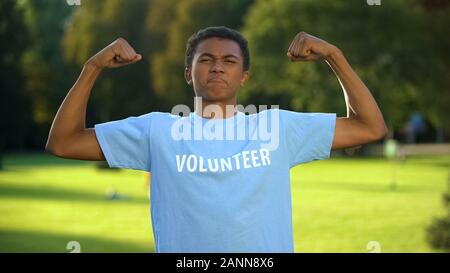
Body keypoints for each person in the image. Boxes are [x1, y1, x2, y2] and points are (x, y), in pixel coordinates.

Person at [46, 26, 388, 252]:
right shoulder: (158, 131)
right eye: (205, 59)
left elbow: (368, 128)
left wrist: (334, 56)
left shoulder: (277, 128)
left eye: (229, 61)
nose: (217, 67)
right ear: (187, 73)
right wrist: (92, 68)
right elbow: (64, 142)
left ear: (244, 77)